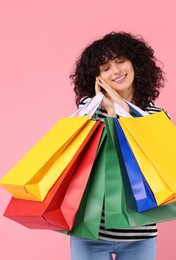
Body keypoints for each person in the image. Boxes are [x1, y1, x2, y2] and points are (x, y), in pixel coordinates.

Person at [69, 31, 166, 260]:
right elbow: (85, 158)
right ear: (97, 76)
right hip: (89, 231)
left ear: (135, 63)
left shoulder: (156, 115)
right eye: (106, 67)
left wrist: (120, 106)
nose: (116, 71)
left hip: (139, 232)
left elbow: (152, 159)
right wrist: (109, 111)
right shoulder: (88, 111)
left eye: (120, 61)